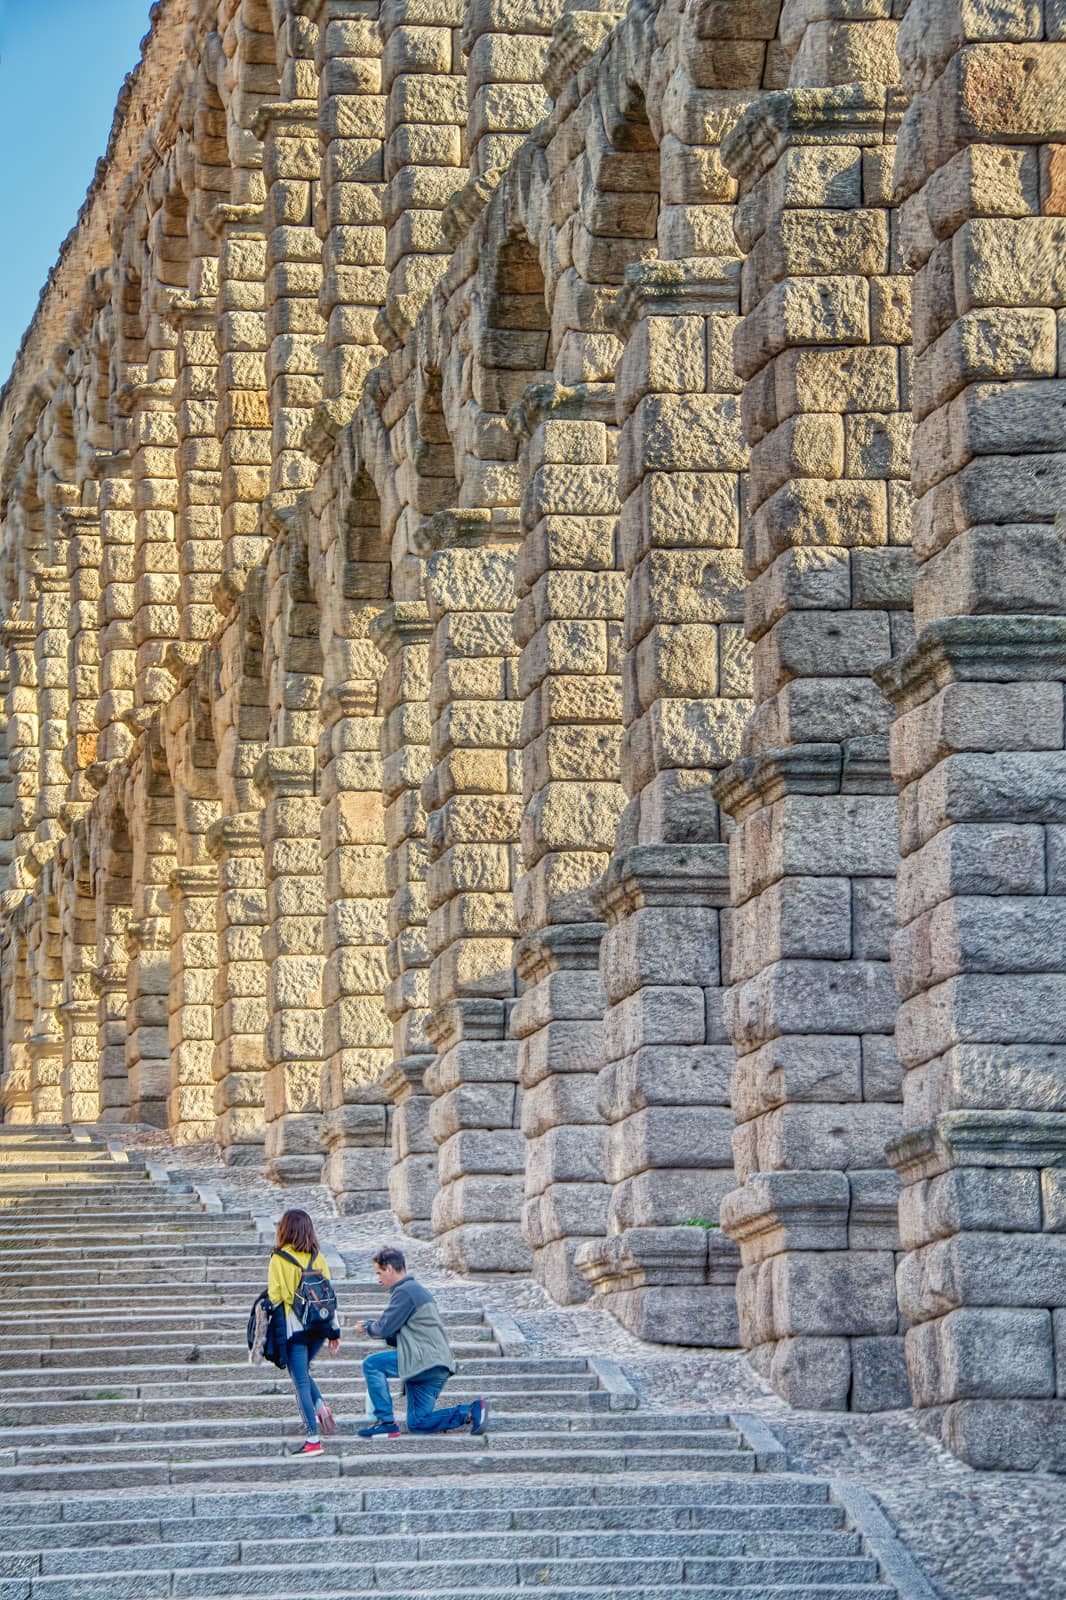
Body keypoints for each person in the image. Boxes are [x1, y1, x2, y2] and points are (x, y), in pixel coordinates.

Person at [355, 1245, 488, 1439]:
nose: (378, 1279)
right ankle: (470, 1411)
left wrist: (367, 1327)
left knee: (372, 1365)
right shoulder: (415, 1291)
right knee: (418, 1423)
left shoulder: (406, 1291)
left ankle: (385, 1422)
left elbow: (384, 1327)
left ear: (389, 1269)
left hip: (424, 1360)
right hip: (434, 1365)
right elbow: (397, 1334)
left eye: (379, 1273)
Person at [268, 1208, 341, 1458]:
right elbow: (329, 1293)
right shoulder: (317, 1257)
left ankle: (312, 1439)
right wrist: (334, 1330)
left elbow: (275, 1296)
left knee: (299, 1379)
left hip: (295, 1327)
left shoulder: (279, 1258)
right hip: (319, 1327)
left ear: (284, 1230)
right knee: (302, 1372)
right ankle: (319, 1405)